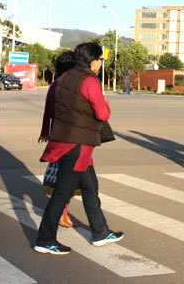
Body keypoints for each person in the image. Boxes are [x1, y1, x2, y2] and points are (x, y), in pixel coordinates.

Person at [34, 42, 124, 255]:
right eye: (101, 60)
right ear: (93, 61)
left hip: (65, 140)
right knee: (62, 193)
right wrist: (105, 103)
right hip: (78, 144)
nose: (101, 64)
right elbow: (102, 114)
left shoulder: (65, 77)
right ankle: (44, 239)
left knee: (90, 187)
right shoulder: (89, 81)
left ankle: (100, 232)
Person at [38, 51, 80, 228]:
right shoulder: (66, 85)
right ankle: (59, 215)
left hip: (58, 135)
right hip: (68, 137)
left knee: (66, 179)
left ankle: (62, 212)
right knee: (67, 180)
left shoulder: (56, 84)